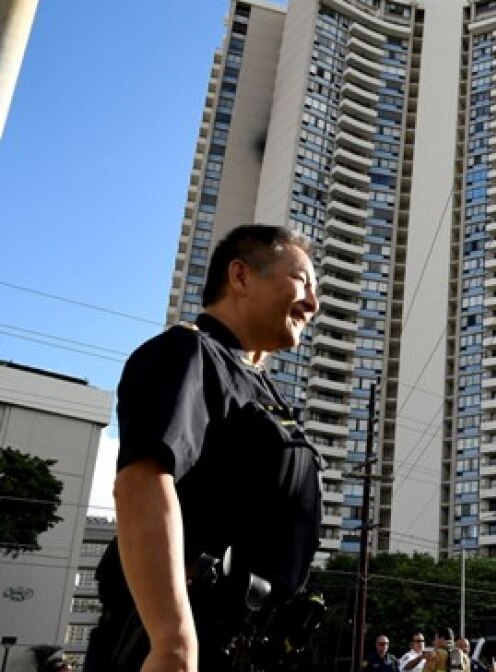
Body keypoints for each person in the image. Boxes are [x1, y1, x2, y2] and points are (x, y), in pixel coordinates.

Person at [84, 224, 323, 672]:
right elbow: (141, 482)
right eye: (302, 281)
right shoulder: (188, 353)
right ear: (241, 276)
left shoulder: (263, 388)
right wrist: (171, 642)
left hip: (246, 647)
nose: (313, 302)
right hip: (183, 643)